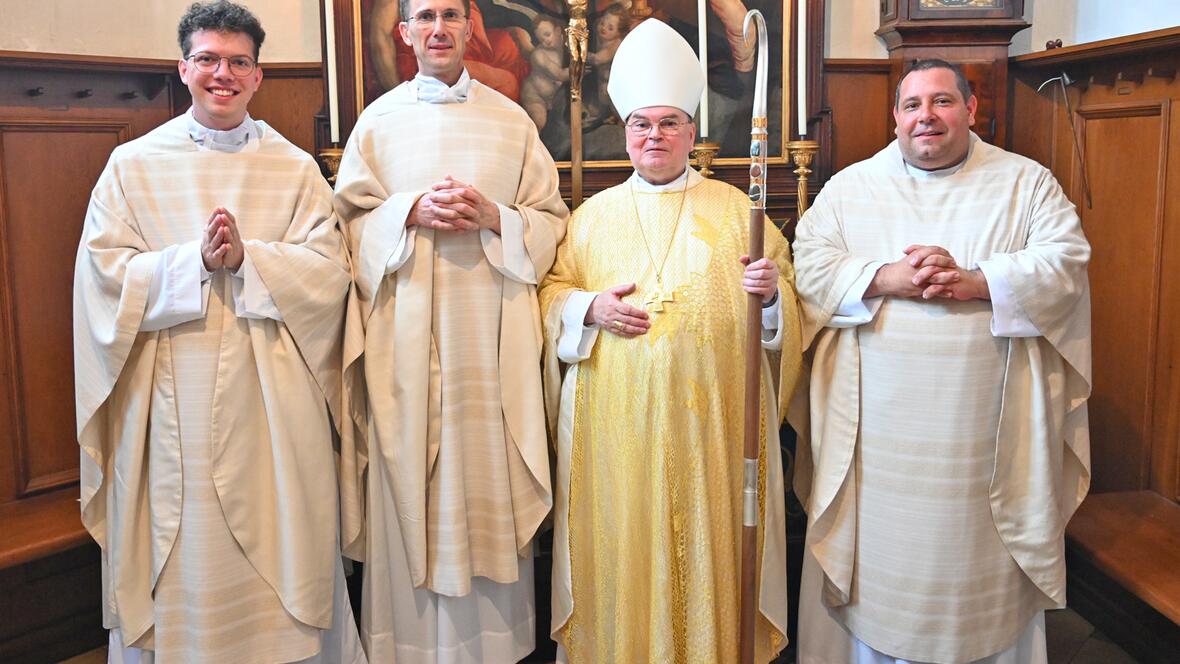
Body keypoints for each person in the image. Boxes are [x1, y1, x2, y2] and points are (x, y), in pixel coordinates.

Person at [73, 2, 364, 663]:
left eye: (238, 62)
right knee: (185, 553)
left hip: (273, 411)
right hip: (169, 402)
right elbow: (103, 278)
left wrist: (249, 260)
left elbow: (329, 275)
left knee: (280, 540)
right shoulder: (133, 166)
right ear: (183, 69)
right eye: (207, 59)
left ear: (258, 76)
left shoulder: (292, 168)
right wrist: (192, 263)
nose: (222, 74)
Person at [791, 59, 1092, 664]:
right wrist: (886, 276)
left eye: (942, 102)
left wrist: (975, 281)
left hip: (983, 442)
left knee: (976, 568)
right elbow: (810, 263)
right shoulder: (853, 187)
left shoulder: (1025, 183)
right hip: (877, 446)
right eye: (912, 106)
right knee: (881, 568)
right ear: (895, 116)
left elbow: (1065, 262)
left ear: (971, 110)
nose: (925, 117)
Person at [537, 19, 802, 664]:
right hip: (613, 437)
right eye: (640, 124)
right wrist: (587, 308)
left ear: (691, 132)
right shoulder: (589, 219)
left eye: (668, 123)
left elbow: (787, 322)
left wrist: (771, 300)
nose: (653, 136)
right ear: (625, 131)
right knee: (624, 547)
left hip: (714, 429)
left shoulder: (741, 212)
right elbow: (547, 299)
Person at [332, 0, 569, 660]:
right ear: (405, 32)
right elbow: (345, 228)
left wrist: (496, 216)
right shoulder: (376, 126)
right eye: (425, 16)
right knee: (407, 478)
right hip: (400, 343)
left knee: (480, 477)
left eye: (452, 15)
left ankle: (491, 648)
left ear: (472, 29)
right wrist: (407, 211)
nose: (438, 28)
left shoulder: (511, 122)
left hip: (486, 349)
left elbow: (550, 220)